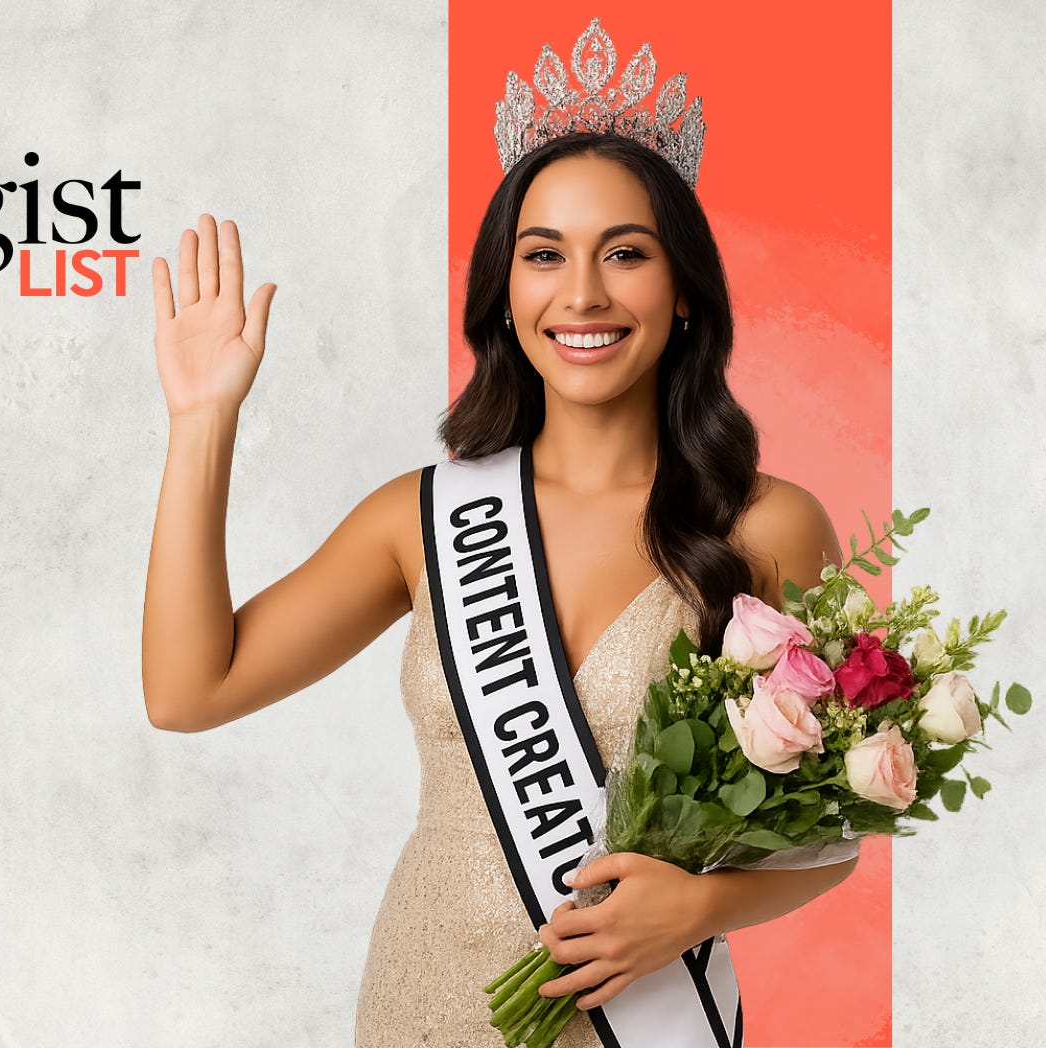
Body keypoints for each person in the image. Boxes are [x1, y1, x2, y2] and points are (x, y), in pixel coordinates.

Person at [143, 125, 860, 1048]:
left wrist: (694, 908)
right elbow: (187, 690)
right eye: (544, 255)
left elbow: (835, 832)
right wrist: (203, 420)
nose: (583, 293)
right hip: (423, 1007)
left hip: (645, 1018)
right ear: (506, 291)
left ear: (683, 289)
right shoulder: (423, 516)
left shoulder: (766, 528)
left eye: (627, 254)